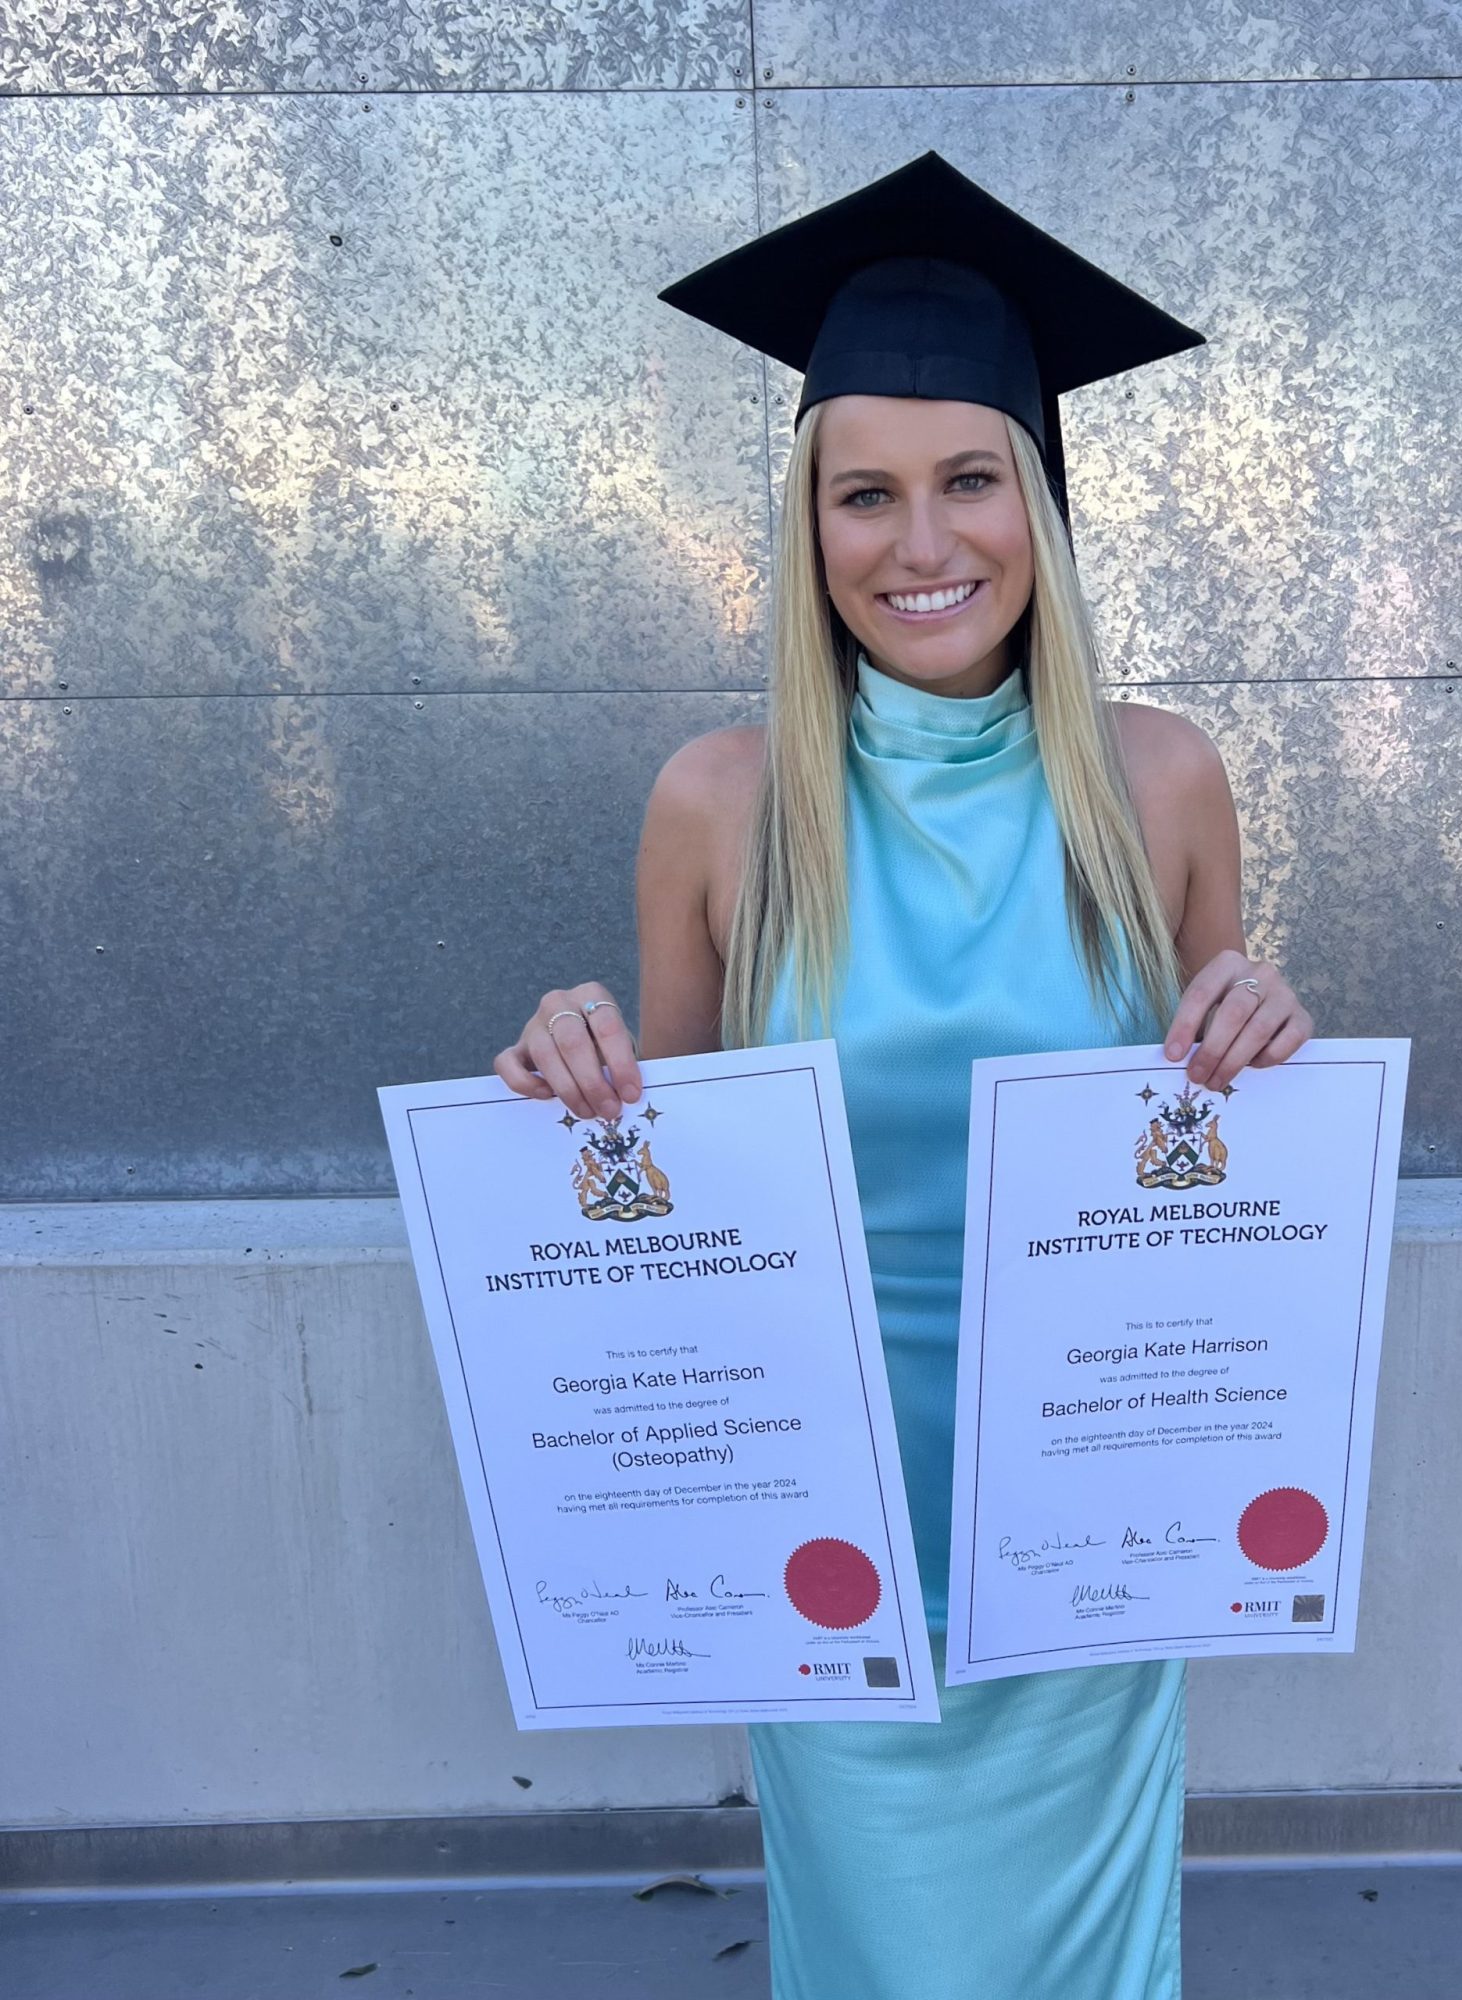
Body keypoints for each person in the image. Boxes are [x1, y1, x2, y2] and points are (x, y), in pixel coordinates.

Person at [492, 153, 1314, 2000]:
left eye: (969, 480)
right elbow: (658, 1198)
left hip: (1091, 1517)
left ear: (1043, 499)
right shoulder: (722, 803)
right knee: (886, 1958)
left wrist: (1259, 1030)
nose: (920, 543)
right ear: (806, 528)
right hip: (827, 1523)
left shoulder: (1161, 779)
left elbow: (1211, 1149)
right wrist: (576, 1093)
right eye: (863, 494)